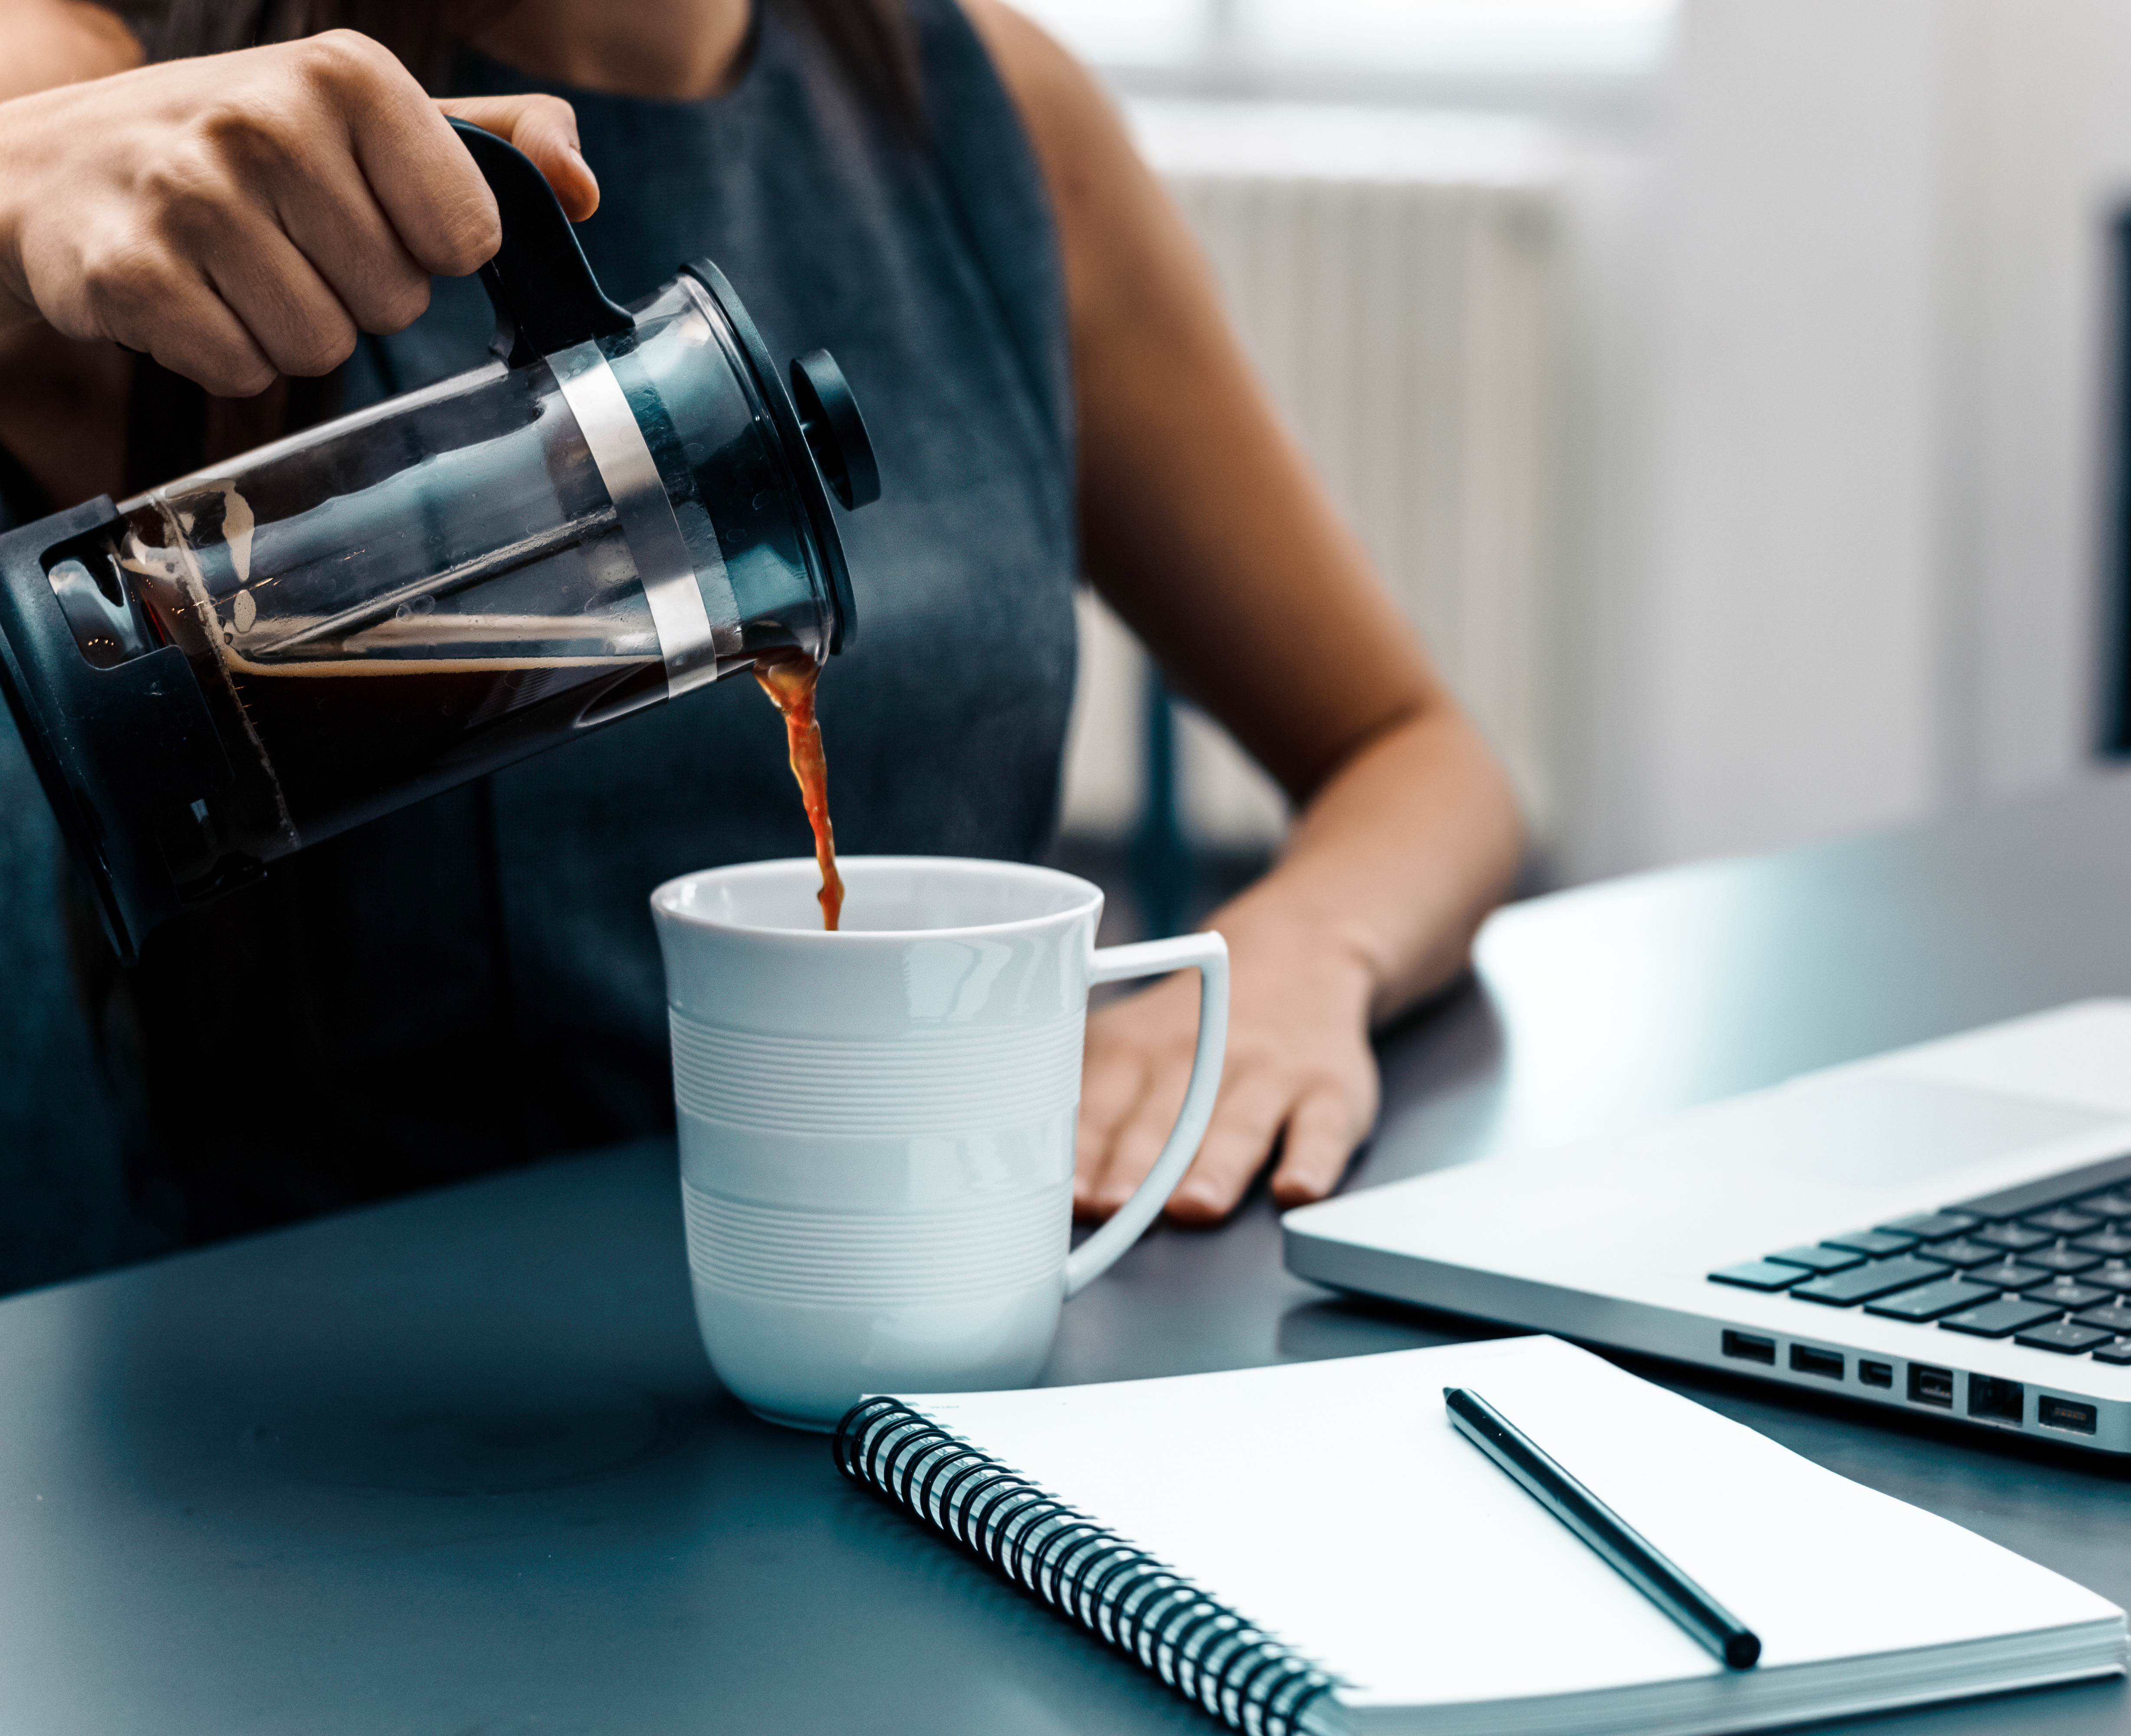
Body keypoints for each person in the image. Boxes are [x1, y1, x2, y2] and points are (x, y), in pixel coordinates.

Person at [0, 0, 1523, 1245]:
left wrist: (1296, 959)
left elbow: (1412, 751)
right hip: (361, 1422)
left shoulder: (986, 109)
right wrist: (25, 182)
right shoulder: (138, 75)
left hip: (941, 1311)